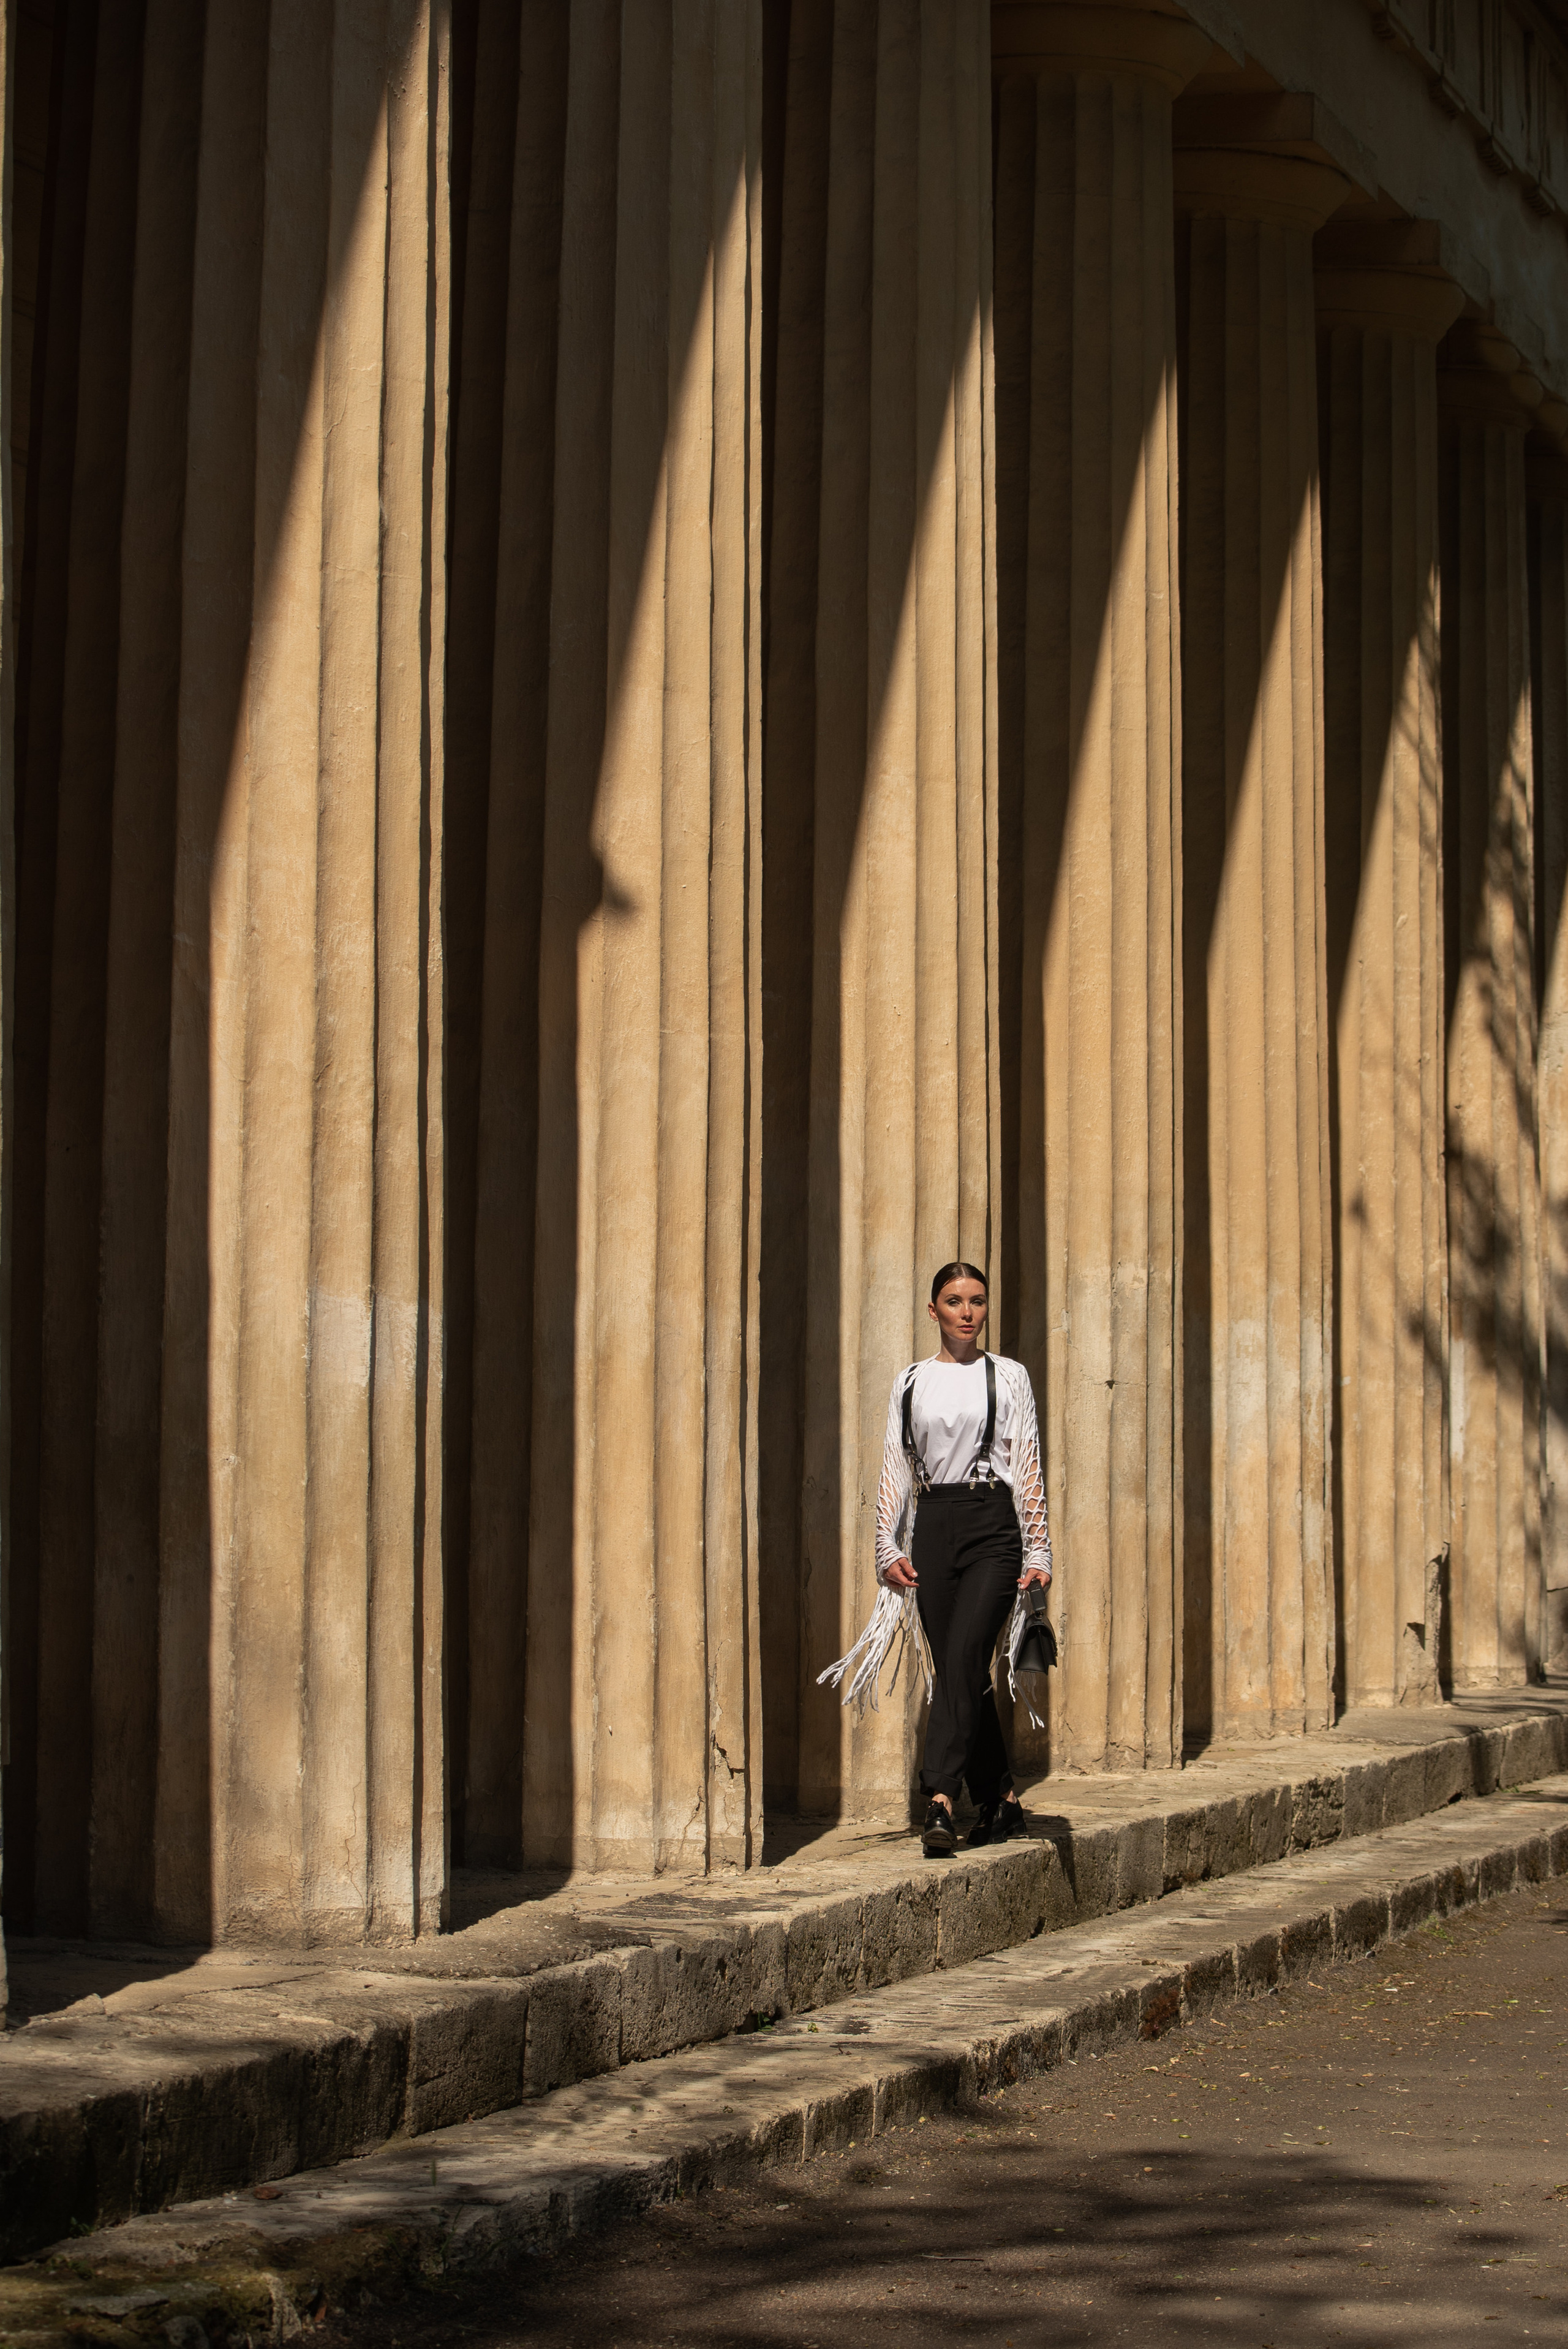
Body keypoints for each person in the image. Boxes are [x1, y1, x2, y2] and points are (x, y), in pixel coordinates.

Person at [820, 1262, 1054, 1857]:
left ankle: (942, 1799)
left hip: (993, 1527)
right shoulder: (909, 1381)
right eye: (954, 1301)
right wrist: (886, 1547)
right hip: (933, 1527)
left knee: (959, 1656)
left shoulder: (1010, 1376)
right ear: (934, 1312)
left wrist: (1038, 1549)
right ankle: (1001, 1802)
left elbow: (1026, 1464)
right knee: (964, 1672)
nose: (967, 1312)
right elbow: (895, 1464)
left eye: (977, 1300)